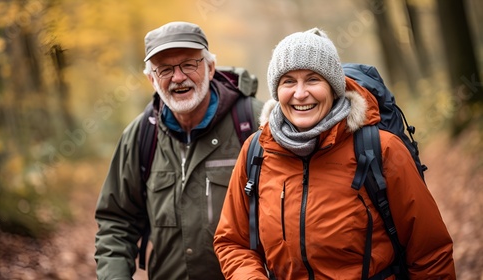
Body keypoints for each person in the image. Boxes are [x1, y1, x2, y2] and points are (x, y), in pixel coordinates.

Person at [213, 27, 456, 279]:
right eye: (288, 81)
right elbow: (232, 242)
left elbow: (430, 254)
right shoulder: (256, 151)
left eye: (312, 79)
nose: (300, 93)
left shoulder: (381, 149)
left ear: (333, 86)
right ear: (276, 90)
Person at [94, 21, 264, 280]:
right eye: (165, 69)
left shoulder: (254, 123)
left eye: (188, 64)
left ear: (210, 68)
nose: (178, 77)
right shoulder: (141, 136)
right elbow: (116, 223)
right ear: (152, 79)